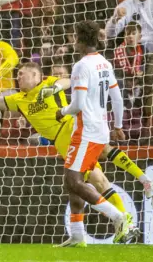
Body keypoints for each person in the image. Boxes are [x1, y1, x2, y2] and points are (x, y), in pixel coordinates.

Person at [0, 23, 153, 246]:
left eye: (22, 74)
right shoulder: (19, 99)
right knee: (77, 184)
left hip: (73, 130)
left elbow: (68, 80)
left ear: (36, 75)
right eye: (17, 75)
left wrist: (57, 88)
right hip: (63, 141)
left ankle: (125, 218)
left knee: (92, 180)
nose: (18, 78)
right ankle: (79, 233)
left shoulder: (48, 83)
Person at [54, 20, 132, 246]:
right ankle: (77, 234)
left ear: (78, 39)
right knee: (71, 181)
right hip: (102, 130)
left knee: (73, 180)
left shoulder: (81, 66)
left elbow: (76, 104)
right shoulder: (105, 63)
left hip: (85, 131)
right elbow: (117, 99)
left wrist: (61, 111)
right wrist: (118, 126)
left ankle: (118, 217)